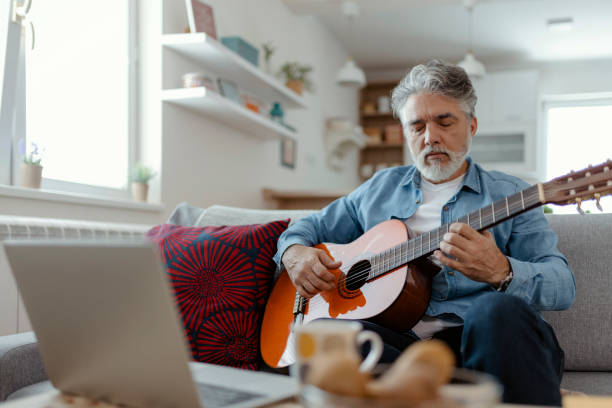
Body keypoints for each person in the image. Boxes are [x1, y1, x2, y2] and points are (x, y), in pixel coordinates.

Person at [273, 59, 575, 406]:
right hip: (398, 355)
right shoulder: (379, 188)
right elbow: (308, 227)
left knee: (494, 310)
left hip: (481, 347)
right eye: (416, 126)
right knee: (330, 334)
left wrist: (502, 271)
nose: (430, 137)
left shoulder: (512, 195)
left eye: (445, 122)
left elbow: (563, 285)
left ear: (472, 125)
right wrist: (294, 253)